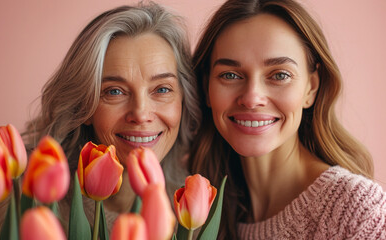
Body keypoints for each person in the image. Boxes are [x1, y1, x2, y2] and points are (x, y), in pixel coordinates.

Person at [188, 0, 386, 239]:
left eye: (279, 75)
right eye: (230, 75)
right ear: (206, 86)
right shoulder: (193, 210)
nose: (252, 98)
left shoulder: (357, 212)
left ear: (311, 89)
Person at [23, 1, 200, 233]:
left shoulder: (194, 210)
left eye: (162, 89)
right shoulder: (19, 206)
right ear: (84, 106)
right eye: (114, 91)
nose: (141, 114)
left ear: (183, 100)